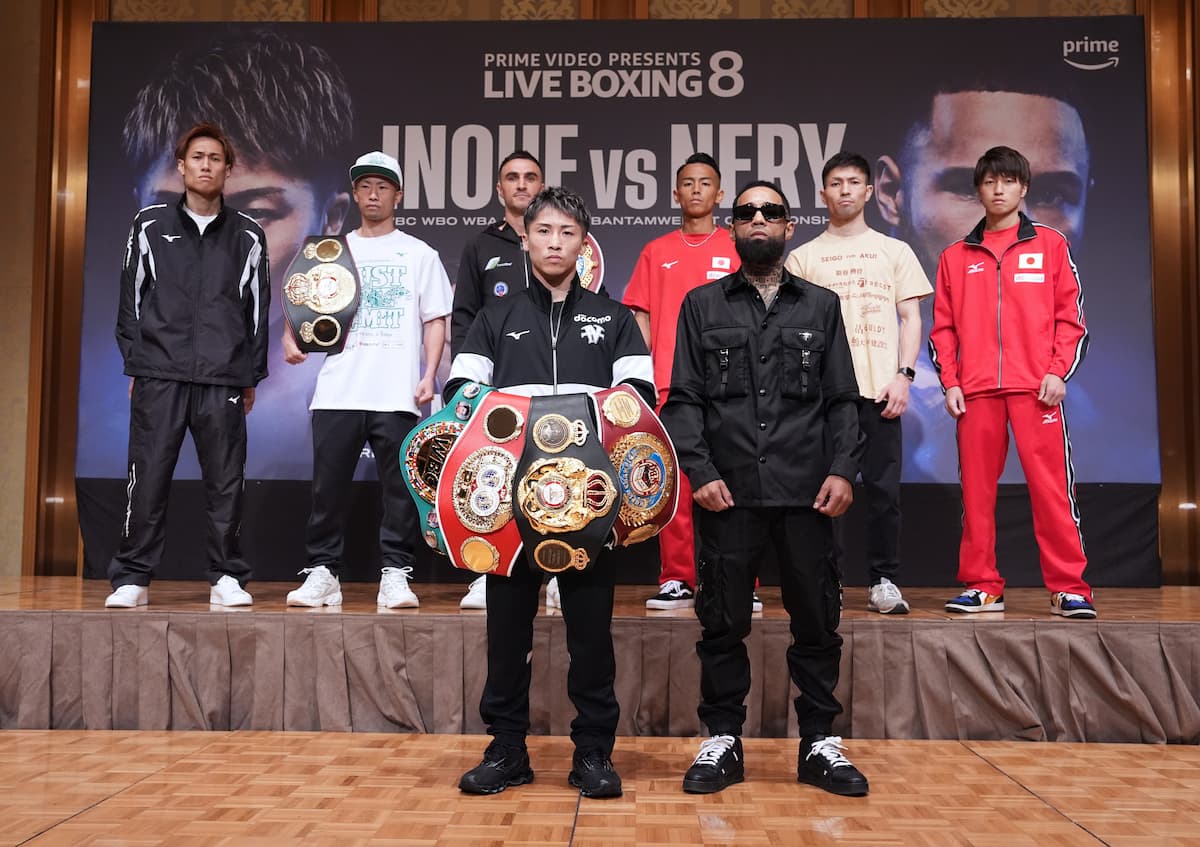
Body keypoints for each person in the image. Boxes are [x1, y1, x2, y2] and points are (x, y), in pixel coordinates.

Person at [446, 186, 655, 799]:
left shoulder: (613, 319)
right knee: (506, 635)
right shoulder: (494, 317)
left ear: (583, 242)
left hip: (591, 506)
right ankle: (506, 750)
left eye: (567, 232)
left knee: (591, 636)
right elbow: (462, 402)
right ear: (527, 240)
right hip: (509, 508)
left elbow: (637, 406)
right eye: (544, 232)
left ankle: (593, 753)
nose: (555, 242)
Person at [662, 181, 868, 796]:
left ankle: (819, 744)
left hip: (808, 492)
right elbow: (684, 400)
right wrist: (699, 473)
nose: (758, 220)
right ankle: (722, 739)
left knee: (816, 622)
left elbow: (843, 401)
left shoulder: (821, 306)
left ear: (788, 227)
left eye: (770, 212)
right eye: (746, 212)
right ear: (733, 228)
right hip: (728, 493)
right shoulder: (702, 305)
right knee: (721, 623)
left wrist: (842, 469)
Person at [121, 30, 354, 478]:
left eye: (257, 213)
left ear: (331, 219)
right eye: (177, 208)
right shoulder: (109, 406)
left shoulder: (385, 384)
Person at [874, 85, 1090, 483]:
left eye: (1053, 194)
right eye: (969, 188)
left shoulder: (1109, 429)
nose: (1008, 207)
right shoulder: (875, 388)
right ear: (891, 193)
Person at [106, 122, 269, 608]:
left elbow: (256, 313)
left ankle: (226, 575)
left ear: (226, 169)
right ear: (182, 166)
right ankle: (132, 576)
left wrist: (250, 377)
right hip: (159, 373)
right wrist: (138, 363)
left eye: (215, 158)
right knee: (149, 475)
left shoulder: (249, 234)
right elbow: (129, 304)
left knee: (226, 482)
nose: (205, 165)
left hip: (223, 378)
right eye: (197, 157)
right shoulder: (149, 225)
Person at [928, 146, 1094, 619]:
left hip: (1035, 389)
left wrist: (1057, 371)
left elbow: (1071, 319)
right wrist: (952, 382)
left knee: (1051, 490)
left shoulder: (1050, 244)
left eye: (1008, 181)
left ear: (1023, 188)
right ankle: (983, 585)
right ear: (978, 189)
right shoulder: (956, 256)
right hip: (976, 392)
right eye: (989, 181)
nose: (998, 190)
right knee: (977, 495)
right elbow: (943, 329)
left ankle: (1069, 587)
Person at [285, 151, 452, 609]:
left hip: (395, 391)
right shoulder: (331, 251)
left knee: (399, 490)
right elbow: (299, 303)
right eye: (364, 186)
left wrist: (429, 375)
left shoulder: (419, 253)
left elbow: (436, 318)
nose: (373, 194)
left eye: (382, 187)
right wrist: (290, 338)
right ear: (355, 194)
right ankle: (323, 572)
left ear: (398, 194)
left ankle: (395, 574)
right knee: (328, 489)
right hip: (339, 388)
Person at [785, 152, 931, 614]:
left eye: (854, 182)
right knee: (824, 495)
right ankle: (829, 580)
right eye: (836, 182)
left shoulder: (895, 251)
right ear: (822, 193)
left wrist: (904, 376)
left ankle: (884, 579)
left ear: (869, 192)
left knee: (885, 494)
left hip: (880, 393)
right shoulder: (803, 258)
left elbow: (911, 318)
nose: (845, 190)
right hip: (824, 401)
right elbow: (792, 333)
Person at [623, 153, 742, 611]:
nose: (696, 190)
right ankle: (677, 577)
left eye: (705, 182)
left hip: (729, 385)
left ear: (719, 194)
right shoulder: (657, 251)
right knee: (674, 486)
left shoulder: (734, 247)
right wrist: (643, 378)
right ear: (675, 194)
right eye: (687, 183)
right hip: (671, 385)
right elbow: (641, 316)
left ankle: (738, 581)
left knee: (733, 484)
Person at [451, 151, 544, 610]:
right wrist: (467, 388)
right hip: (499, 386)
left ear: (542, 187)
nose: (522, 185)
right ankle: (491, 568)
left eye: (530, 178)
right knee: (496, 475)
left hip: (555, 385)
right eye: (513, 178)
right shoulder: (480, 246)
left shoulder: (570, 242)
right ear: (499, 189)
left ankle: (559, 570)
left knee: (555, 472)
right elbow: (464, 318)